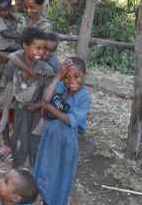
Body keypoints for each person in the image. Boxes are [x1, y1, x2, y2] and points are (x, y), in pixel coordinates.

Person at [0, 27, 52, 167]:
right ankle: (17, 171)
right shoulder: (14, 63)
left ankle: (32, 174)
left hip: (37, 113)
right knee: (19, 139)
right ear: (25, 45)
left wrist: (37, 106)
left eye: (43, 48)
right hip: (20, 110)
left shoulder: (46, 69)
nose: (41, 52)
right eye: (37, 48)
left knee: (34, 142)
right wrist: (5, 112)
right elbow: (8, 87)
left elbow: (49, 95)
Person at [34, 57, 91, 205]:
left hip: (67, 143)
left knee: (61, 176)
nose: (71, 81)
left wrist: (49, 107)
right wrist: (58, 76)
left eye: (76, 76)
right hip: (50, 137)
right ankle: (44, 199)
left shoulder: (84, 96)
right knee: (45, 171)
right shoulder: (61, 87)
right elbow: (46, 97)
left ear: (85, 75)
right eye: (67, 77)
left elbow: (68, 120)